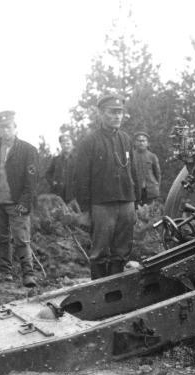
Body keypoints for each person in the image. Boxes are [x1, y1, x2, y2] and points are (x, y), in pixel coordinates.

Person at [72, 93, 139, 279]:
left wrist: (137, 201)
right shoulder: (89, 142)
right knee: (99, 251)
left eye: (120, 112)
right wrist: (86, 210)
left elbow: (133, 171)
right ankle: (98, 290)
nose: (118, 116)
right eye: (113, 112)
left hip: (126, 201)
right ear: (101, 114)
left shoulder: (125, 139)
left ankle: (117, 288)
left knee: (122, 250)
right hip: (102, 204)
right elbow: (81, 178)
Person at [0, 111, 39, 287]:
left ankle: (28, 274)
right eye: (1, 128)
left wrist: (24, 203)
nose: (5, 131)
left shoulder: (28, 150)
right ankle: (6, 273)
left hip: (17, 203)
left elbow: (32, 181)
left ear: (15, 127)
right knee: (1, 238)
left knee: (21, 238)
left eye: (8, 127)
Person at [132, 131, 161, 206]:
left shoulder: (152, 156)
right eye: (139, 141)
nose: (141, 143)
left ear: (147, 143)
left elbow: (157, 174)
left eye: (143, 141)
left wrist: (156, 187)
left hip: (150, 191)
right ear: (135, 143)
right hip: (135, 191)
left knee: (150, 212)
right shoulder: (131, 156)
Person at [44, 133, 74, 201]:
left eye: (68, 143)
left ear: (71, 145)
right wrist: (53, 182)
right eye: (64, 144)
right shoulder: (56, 160)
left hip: (72, 195)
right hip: (57, 195)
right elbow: (47, 174)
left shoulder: (77, 160)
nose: (66, 146)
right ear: (61, 145)